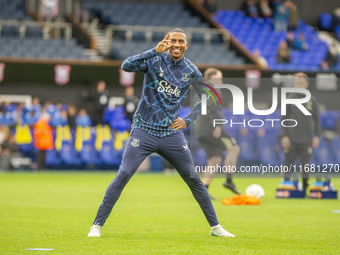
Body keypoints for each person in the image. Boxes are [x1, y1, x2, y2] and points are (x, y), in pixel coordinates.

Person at [88, 28, 235, 238]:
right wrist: (153, 50)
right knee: (124, 174)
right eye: (172, 40)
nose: (176, 44)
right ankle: (97, 226)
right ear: (167, 41)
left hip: (170, 133)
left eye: (180, 41)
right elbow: (126, 65)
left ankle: (216, 227)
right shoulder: (154, 59)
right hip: (143, 130)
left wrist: (187, 120)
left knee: (193, 178)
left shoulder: (192, 71)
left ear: (186, 45)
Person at [194, 68, 241, 199]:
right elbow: (213, 108)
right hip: (211, 129)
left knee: (214, 159)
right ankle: (229, 181)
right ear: (213, 77)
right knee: (234, 148)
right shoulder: (212, 89)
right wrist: (218, 125)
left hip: (200, 131)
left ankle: (204, 191)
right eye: (219, 78)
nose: (221, 80)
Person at [280, 72, 321, 195]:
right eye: (297, 83)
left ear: (306, 84)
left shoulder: (312, 101)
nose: (299, 85)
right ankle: (286, 188)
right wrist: (284, 136)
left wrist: (317, 136)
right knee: (288, 164)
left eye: (301, 83)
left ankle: (304, 189)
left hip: (307, 140)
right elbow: (283, 119)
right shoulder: (289, 99)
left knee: (305, 166)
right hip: (291, 139)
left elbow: (317, 120)